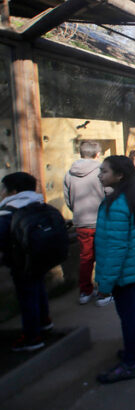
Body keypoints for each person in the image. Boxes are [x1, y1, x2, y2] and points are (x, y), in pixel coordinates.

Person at [93, 156, 135, 383]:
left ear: (119, 175)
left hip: (124, 271)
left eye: (104, 171)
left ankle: (131, 362)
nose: (100, 175)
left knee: (129, 317)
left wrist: (106, 283)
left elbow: (116, 248)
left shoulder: (118, 205)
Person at [0, 173, 55, 352]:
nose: (1, 192)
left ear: (13, 191)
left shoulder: (9, 211)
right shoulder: (39, 204)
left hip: (21, 261)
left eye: (3, 188)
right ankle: (44, 322)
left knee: (27, 297)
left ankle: (32, 338)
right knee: (38, 289)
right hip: (42, 257)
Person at [63, 140, 108, 306]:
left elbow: (68, 199)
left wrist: (78, 211)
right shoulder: (103, 171)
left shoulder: (69, 173)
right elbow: (109, 193)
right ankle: (104, 292)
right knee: (104, 257)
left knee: (85, 258)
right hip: (101, 221)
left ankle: (85, 291)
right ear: (98, 154)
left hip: (81, 222)